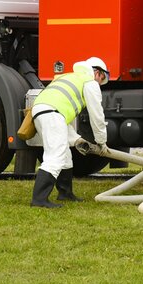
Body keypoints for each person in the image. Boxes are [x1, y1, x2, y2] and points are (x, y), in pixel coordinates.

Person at [29, 56, 110, 208]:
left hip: (41, 111)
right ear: (97, 72)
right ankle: (39, 199)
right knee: (55, 155)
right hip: (52, 113)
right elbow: (97, 115)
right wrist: (101, 141)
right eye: (102, 78)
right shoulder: (89, 81)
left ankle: (65, 193)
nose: (100, 83)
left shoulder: (68, 76)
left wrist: (76, 140)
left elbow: (62, 120)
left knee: (65, 155)